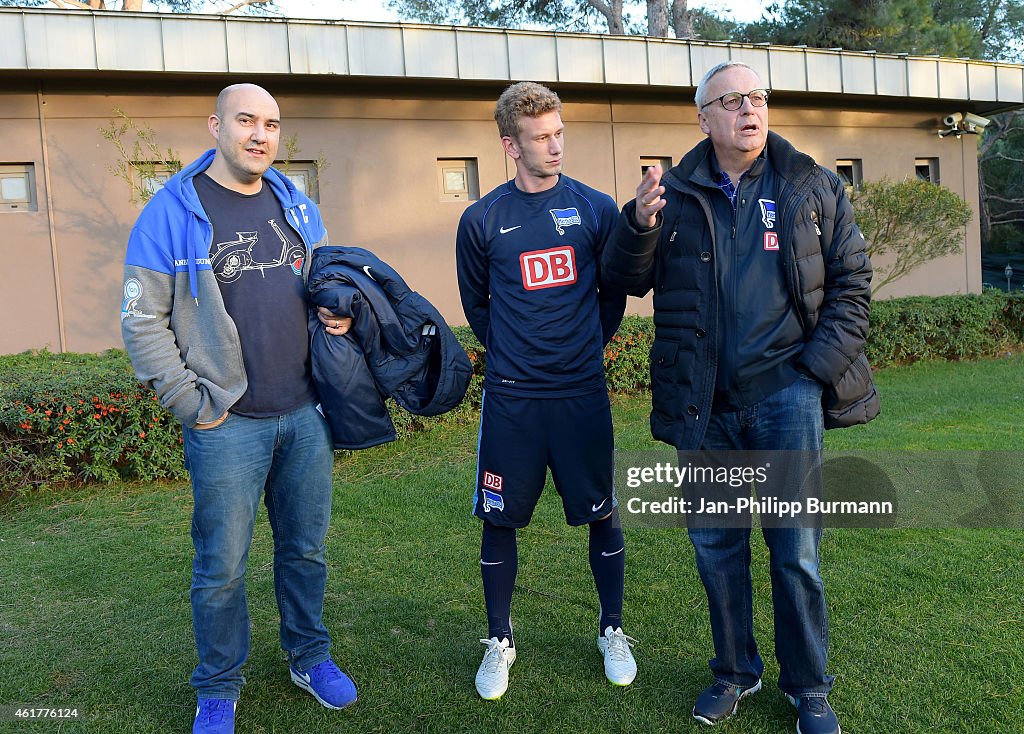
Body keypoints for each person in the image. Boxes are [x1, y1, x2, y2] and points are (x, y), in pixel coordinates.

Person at [602, 61, 873, 734]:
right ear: (703, 117)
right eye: (732, 100)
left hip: (787, 397)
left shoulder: (810, 185)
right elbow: (625, 279)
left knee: (796, 553)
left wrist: (812, 373)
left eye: (757, 97)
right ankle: (733, 671)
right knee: (717, 551)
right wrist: (636, 222)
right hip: (706, 406)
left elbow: (853, 284)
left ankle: (808, 687)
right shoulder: (673, 193)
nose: (749, 109)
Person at [121, 83, 357, 734]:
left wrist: (334, 312)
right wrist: (190, 403)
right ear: (215, 126)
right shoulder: (171, 211)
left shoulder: (297, 206)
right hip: (227, 423)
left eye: (272, 124)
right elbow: (143, 321)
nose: (260, 134)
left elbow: (322, 285)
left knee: (305, 552)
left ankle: (309, 657)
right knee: (220, 567)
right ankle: (218, 687)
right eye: (246, 120)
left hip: (306, 414)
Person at [456, 81, 634, 700]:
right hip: (513, 398)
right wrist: (515, 350)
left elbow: (612, 292)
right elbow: (477, 302)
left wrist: (584, 345)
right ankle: (499, 639)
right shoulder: (480, 219)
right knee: (499, 517)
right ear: (511, 145)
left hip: (581, 392)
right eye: (540, 138)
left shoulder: (595, 208)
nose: (555, 146)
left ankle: (612, 628)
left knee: (602, 511)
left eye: (559, 133)